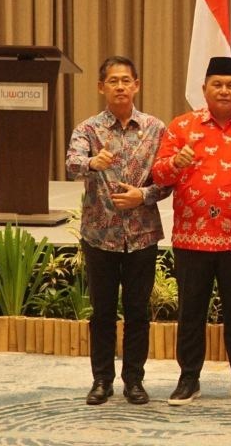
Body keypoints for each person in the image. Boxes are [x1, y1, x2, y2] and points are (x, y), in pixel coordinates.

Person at [152, 56, 231, 406]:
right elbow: (158, 175)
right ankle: (188, 379)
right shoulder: (181, 127)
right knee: (191, 314)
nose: (224, 90)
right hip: (193, 239)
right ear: (204, 89)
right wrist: (176, 163)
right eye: (217, 84)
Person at [65, 56, 172, 406]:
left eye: (126, 80)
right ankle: (101, 381)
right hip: (100, 235)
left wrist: (143, 195)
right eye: (113, 81)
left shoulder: (155, 128)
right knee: (102, 313)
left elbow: (167, 181)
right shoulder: (88, 129)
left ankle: (134, 381)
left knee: (138, 312)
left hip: (142, 235)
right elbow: (71, 164)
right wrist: (92, 162)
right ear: (101, 87)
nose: (120, 86)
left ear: (137, 85)